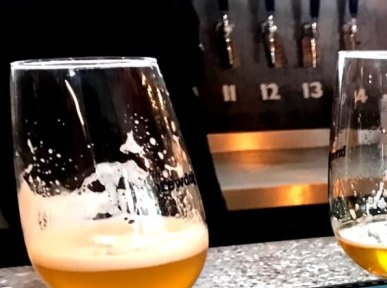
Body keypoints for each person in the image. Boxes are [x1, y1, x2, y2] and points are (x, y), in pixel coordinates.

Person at [1, 0, 229, 266]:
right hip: (45, 149)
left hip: (159, 131)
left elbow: (185, 59)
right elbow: (187, 60)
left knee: (205, 259)